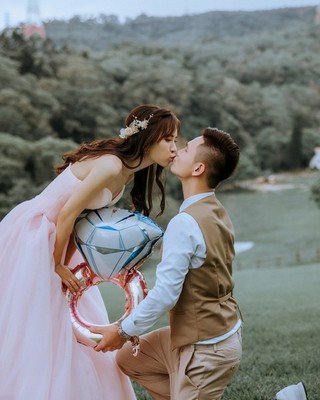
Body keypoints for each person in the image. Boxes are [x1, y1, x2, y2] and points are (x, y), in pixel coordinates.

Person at [0, 104, 180, 400]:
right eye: (169, 139)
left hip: (63, 241)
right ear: (149, 138)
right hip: (39, 235)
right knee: (32, 318)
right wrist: (57, 265)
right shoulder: (111, 165)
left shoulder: (126, 172)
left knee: (64, 321)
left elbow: (84, 220)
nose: (174, 148)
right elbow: (67, 212)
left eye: (175, 140)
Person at [92, 127, 242, 400]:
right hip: (217, 335)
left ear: (198, 168)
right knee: (130, 359)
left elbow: (166, 295)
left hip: (206, 349)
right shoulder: (216, 210)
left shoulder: (185, 223)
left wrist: (122, 331)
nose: (177, 150)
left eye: (185, 149)